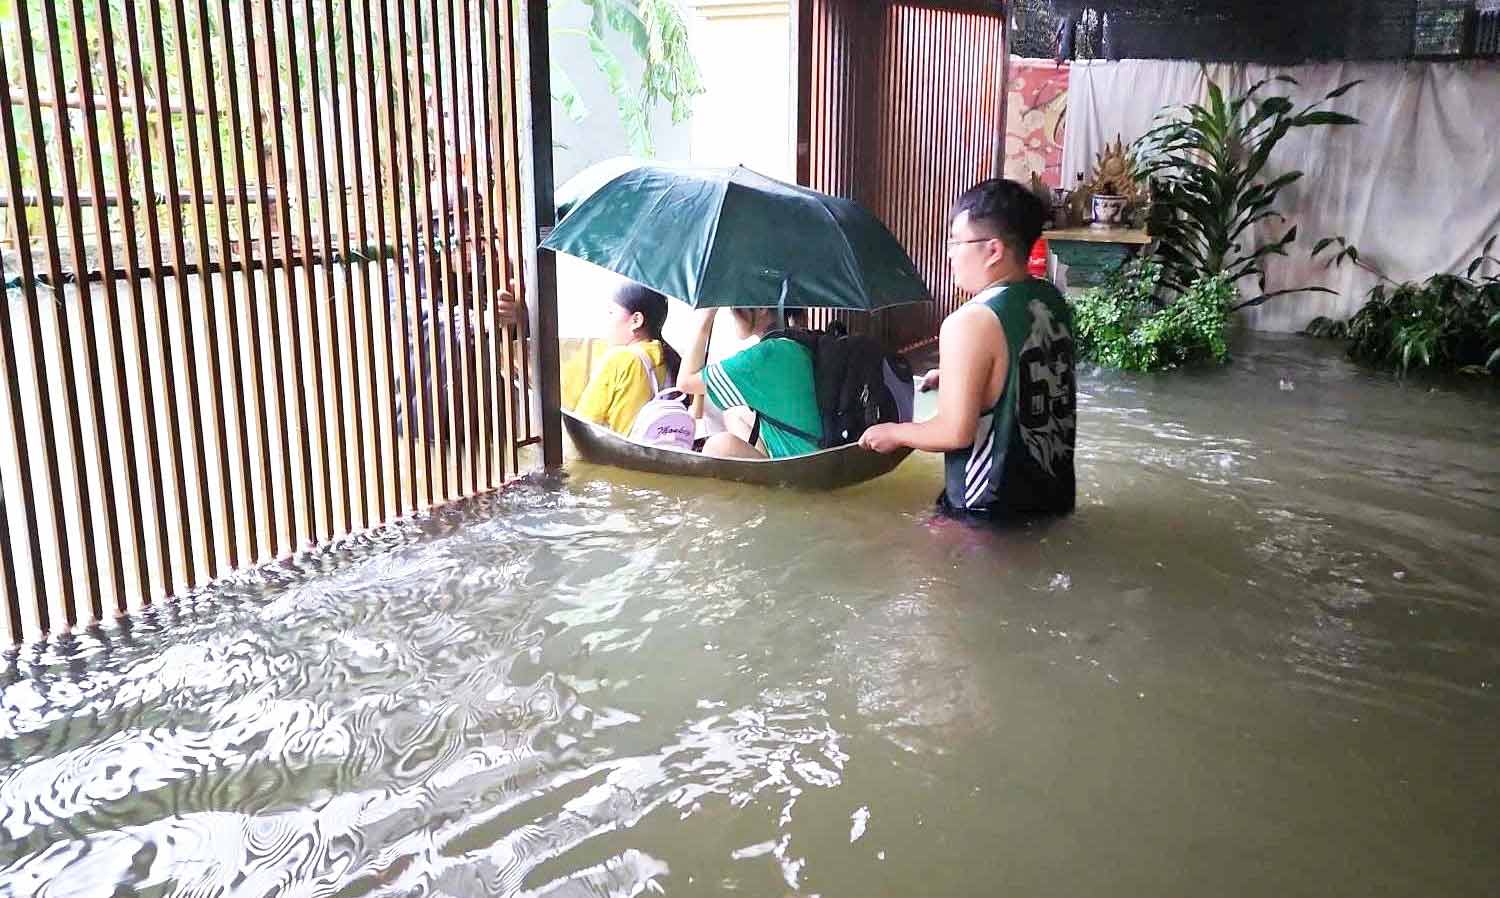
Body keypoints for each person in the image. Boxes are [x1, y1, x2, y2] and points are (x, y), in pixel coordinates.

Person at [859, 178, 1077, 519]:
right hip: (1053, 496)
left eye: (956, 241)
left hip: (988, 510)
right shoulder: (1050, 299)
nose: (949, 253)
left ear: (993, 250)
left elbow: (954, 431)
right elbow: (1027, 370)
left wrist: (894, 433)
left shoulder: (969, 322)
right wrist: (956, 375)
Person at [676, 306, 822, 459]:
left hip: (801, 473)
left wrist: (707, 316)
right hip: (821, 460)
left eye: (735, 305)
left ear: (761, 308)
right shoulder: (793, 342)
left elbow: (685, 382)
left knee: (717, 446)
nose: (731, 311)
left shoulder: (764, 356)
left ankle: (766, 480)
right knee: (735, 412)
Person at [572, 282, 682, 435]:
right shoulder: (669, 357)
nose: (607, 321)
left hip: (616, 456)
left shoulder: (619, 359)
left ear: (636, 320)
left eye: (611, 313)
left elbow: (581, 425)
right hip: (658, 453)